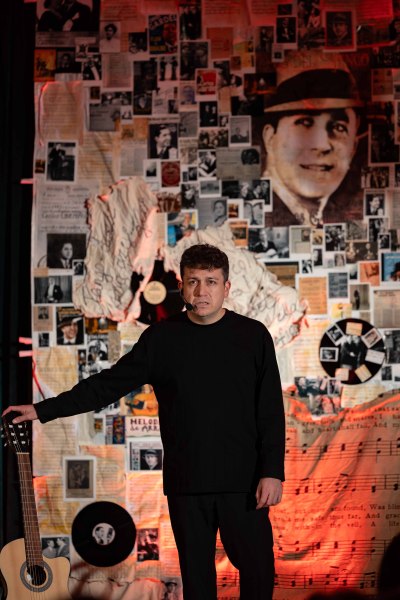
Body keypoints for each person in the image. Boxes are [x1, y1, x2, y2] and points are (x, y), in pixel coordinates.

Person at [4, 244, 285, 600]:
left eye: (211, 282)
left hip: (244, 482)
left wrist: (272, 471)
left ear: (226, 287)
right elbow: (105, 386)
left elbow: (270, 411)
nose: (201, 291)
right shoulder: (161, 339)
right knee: (197, 584)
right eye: (193, 282)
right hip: (187, 484)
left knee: (259, 572)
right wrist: (42, 410)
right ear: (181, 287)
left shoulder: (253, 336)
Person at [262, 50, 364, 227]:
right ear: (270, 138)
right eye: (304, 122)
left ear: (353, 147)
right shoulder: (258, 217)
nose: (322, 145)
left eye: (339, 127)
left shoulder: (337, 216)